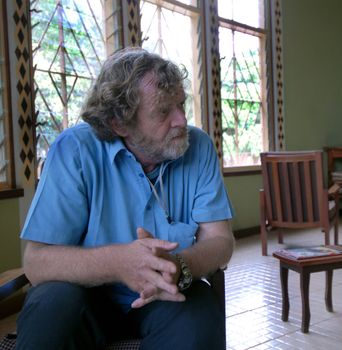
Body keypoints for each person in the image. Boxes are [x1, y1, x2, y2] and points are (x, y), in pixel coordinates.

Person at [16, 47, 234, 350]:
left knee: (198, 315)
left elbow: (220, 241)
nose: (181, 120)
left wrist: (179, 266)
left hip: (164, 294)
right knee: (50, 308)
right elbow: (36, 262)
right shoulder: (75, 150)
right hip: (83, 293)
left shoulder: (198, 147)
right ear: (119, 123)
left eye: (181, 104)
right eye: (163, 111)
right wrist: (119, 263)